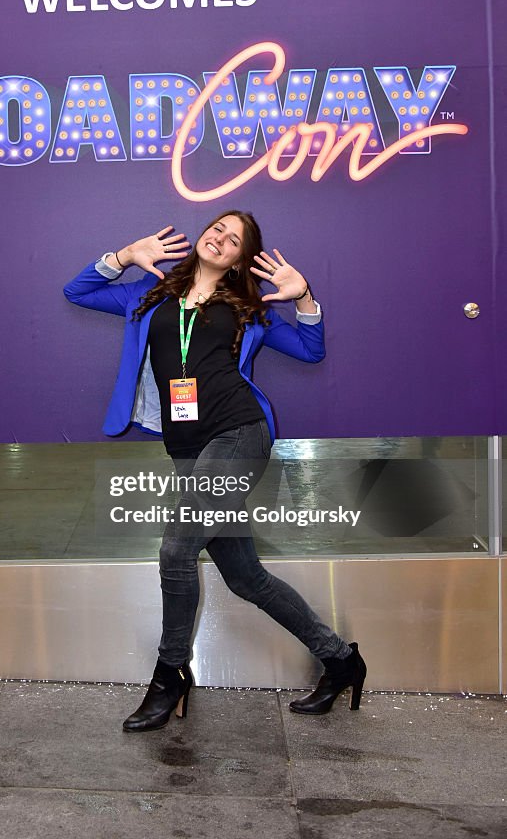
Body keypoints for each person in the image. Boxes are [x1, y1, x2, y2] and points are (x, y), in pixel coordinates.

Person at [63, 210, 366, 731]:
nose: (221, 239)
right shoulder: (147, 292)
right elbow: (78, 291)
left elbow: (311, 351)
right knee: (246, 577)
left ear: (241, 259)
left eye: (235, 240)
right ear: (202, 237)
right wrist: (124, 256)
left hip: (238, 434)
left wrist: (304, 298)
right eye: (217, 229)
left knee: (176, 548)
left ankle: (169, 674)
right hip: (186, 446)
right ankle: (340, 659)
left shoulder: (249, 307)